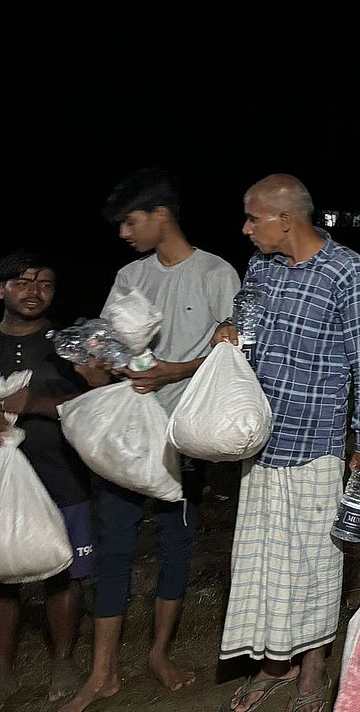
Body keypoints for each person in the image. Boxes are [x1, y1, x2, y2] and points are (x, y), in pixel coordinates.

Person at [60, 168, 242, 712]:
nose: (124, 233)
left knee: (175, 545)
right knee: (113, 543)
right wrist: (95, 366)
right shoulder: (129, 277)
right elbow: (113, 347)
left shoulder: (217, 274)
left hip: (184, 434)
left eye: (130, 221)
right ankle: (102, 673)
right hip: (125, 437)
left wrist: (172, 372)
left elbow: (233, 355)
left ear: (161, 215)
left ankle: (159, 655)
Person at [213, 173, 360, 712]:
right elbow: (247, 325)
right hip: (261, 439)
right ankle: (274, 664)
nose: (246, 229)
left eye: (254, 218)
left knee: (316, 561)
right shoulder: (261, 268)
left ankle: (311, 670)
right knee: (265, 560)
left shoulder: (348, 272)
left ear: (287, 219)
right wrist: (228, 329)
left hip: (317, 442)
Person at [0, 250, 105, 705]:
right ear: (0, 289)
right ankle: (3, 670)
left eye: (44, 283)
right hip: (4, 480)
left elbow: (99, 402)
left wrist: (37, 405)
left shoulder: (68, 344)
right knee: (2, 578)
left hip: (63, 473)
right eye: (22, 282)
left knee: (66, 573)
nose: (33, 291)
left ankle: (63, 659)